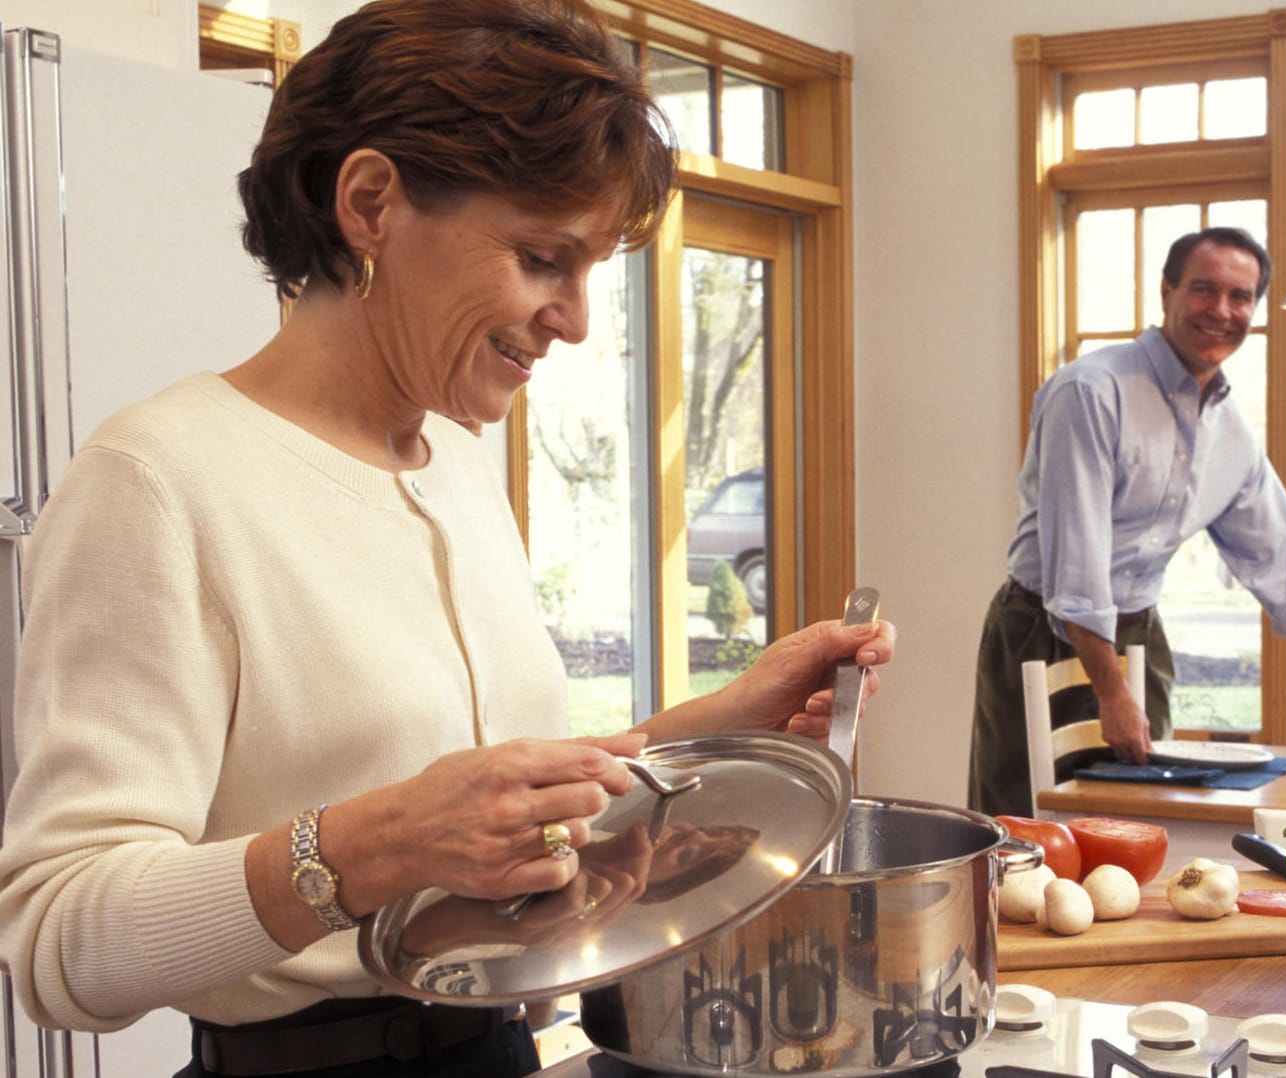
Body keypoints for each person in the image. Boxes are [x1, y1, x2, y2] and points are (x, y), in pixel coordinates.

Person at [0, 2, 896, 1076]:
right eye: (540, 257)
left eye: (589, 269)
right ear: (372, 202)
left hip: (498, 1051)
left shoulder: (459, 466)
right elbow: (59, 945)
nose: (574, 318)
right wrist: (369, 846)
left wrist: (718, 725)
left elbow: (488, 806)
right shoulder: (158, 481)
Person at [967, 226, 1286, 819]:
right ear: (1166, 292)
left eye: (1240, 297)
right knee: (1022, 829)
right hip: (1038, 629)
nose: (1221, 311)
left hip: (1138, 634)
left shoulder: (1230, 433)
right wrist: (1110, 690)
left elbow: (1280, 573)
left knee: (1140, 824)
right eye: (1204, 290)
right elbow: (1076, 567)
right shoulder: (1092, 391)